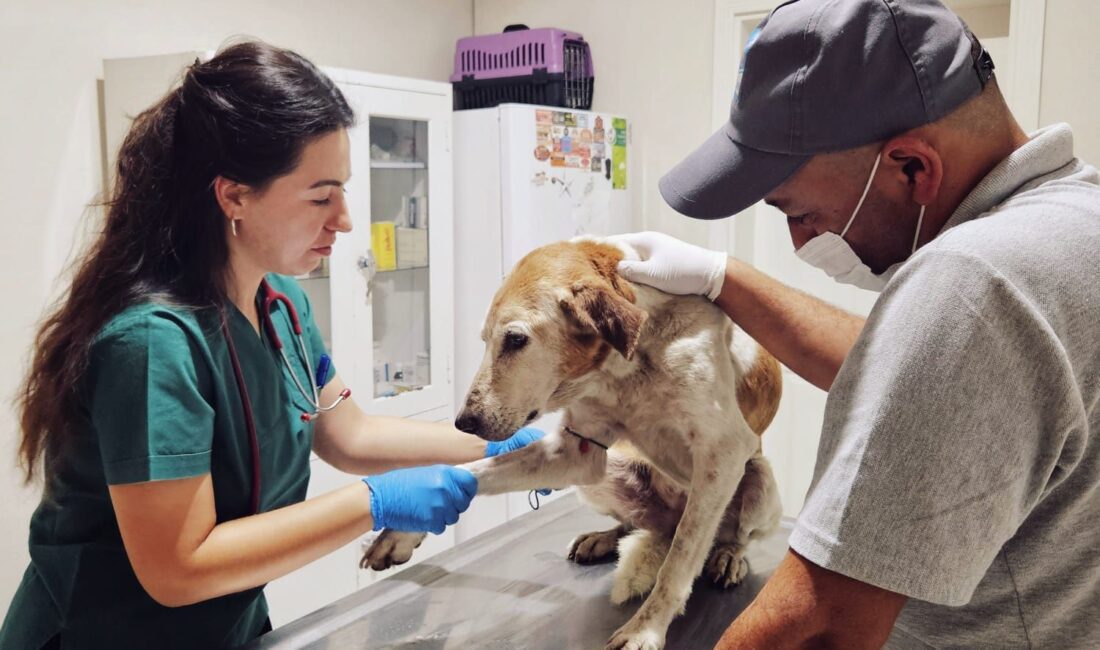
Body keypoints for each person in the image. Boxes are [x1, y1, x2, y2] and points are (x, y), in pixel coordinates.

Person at [0, 41, 543, 649]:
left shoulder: (280, 303)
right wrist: (374, 502)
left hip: (223, 629)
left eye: (342, 190)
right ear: (233, 195)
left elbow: (348, 435)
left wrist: (513, 440)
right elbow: (180, 567)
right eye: (320, 195)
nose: (344, 219)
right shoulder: (153, 343)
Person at [610, 0, 1100, 647]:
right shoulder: (1073, 218)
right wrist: (721, 277)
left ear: (912, 168)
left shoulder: (971, 281)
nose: (797, 240)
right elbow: (923, 383)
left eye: (801, 212)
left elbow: (818, 622)